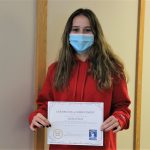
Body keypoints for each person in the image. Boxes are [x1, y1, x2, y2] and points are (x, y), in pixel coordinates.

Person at [29, 8, 131, 150]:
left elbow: (122, 108)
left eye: (87, 30)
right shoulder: (55, 70)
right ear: (68, 34)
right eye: (75, 30)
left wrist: (120, 118)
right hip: (62, 146)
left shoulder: (112, 69)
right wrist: (37, 116)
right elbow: (45, 105)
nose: (81, 35)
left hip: (101, 146)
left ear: (96, 34)